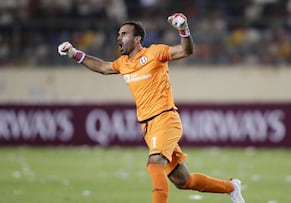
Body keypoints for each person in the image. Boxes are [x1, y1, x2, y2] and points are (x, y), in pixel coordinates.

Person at [58, 13, 245, 203]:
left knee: (154, 164)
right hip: (148, 127)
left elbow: (185, 51)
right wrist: (74, 53)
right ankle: (231, 187)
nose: (118, 38)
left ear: (137, 38)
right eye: (118, 34)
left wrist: (183, 30)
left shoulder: (154, 53)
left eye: (124, 34)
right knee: (182, 180)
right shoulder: (123, 63)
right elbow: (103, 67)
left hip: (164, 119)